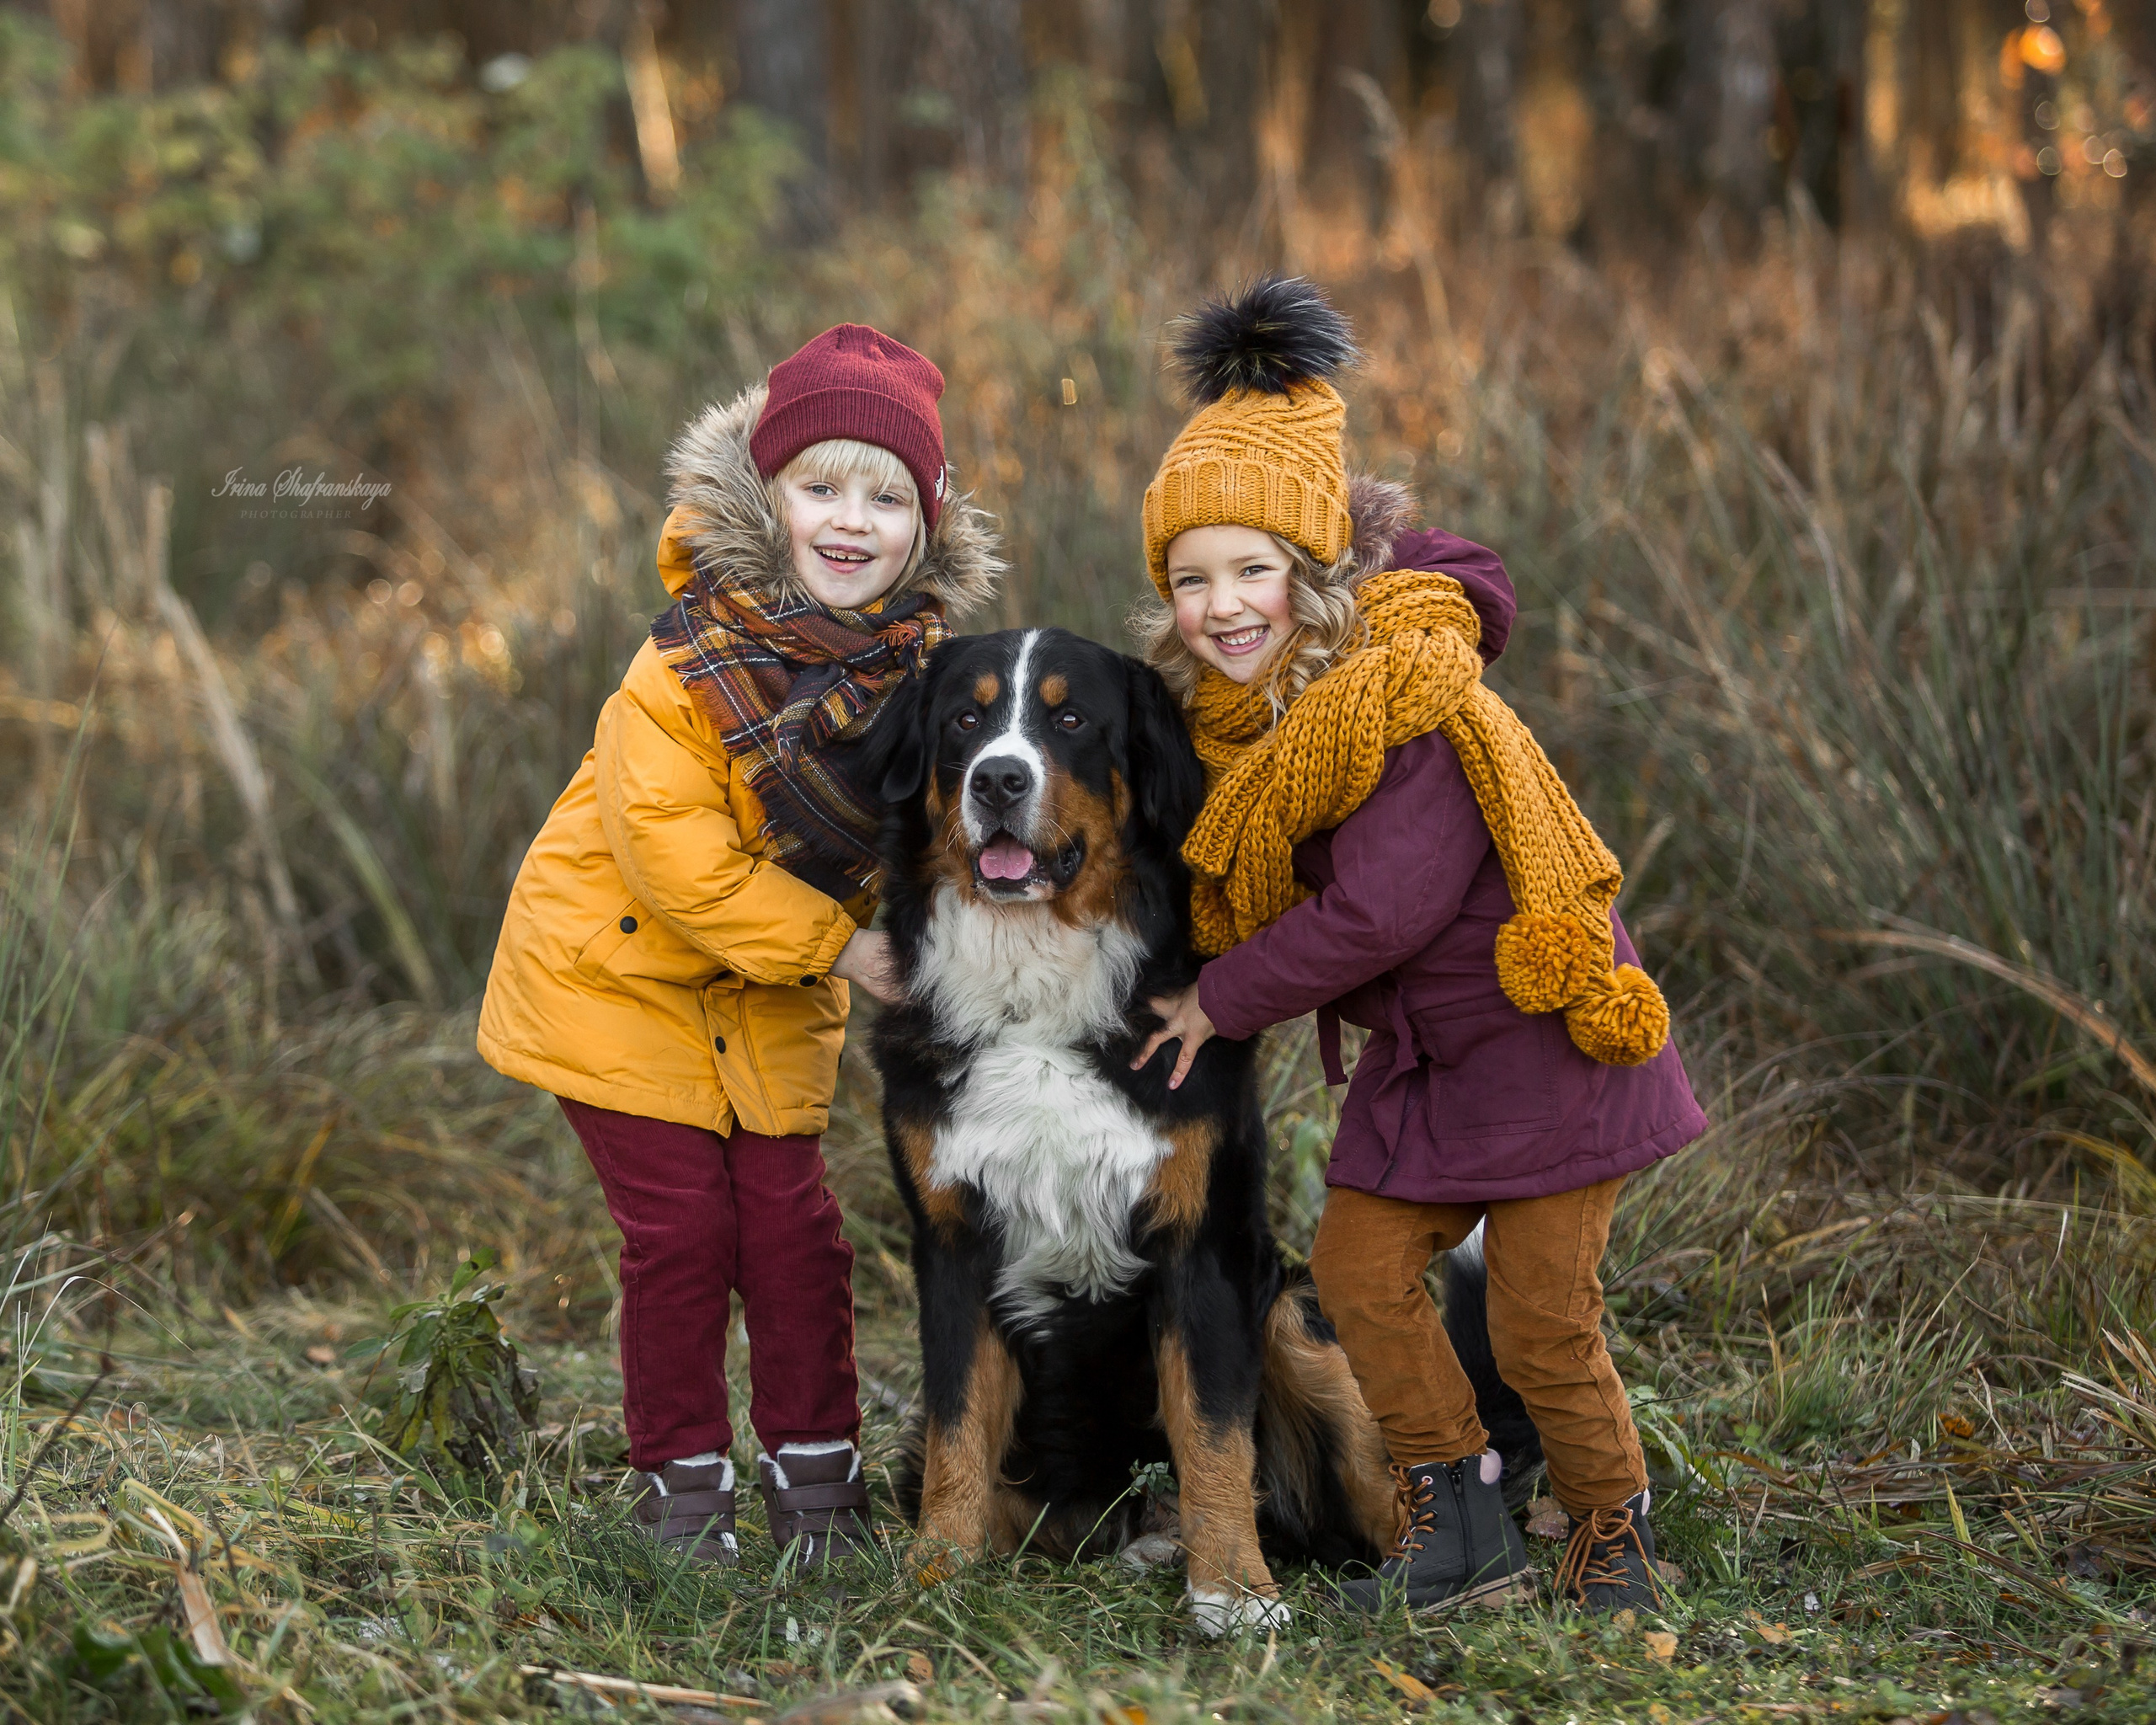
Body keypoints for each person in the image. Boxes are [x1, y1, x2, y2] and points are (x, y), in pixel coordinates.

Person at [1129, 278, 1706, 1614]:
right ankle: (1460, 1525)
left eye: (1253, 570)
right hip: (1433, 1057)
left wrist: (1222, 999)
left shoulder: (1401, 705)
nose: (1222, 605)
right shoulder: (1256, 728)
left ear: (1317, 573)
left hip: (1547, 1035)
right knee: (1360, 1270)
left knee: (1540, 1317)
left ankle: (1614, 1536)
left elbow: (1379, 913)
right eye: (1191, 576)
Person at [478, 324, 1001, 1565]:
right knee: (682, 1236)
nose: (850, 520)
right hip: (615, 982)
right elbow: (675, 862)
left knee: (791, 1233)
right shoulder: (677, 671)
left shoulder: (916, 676)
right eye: (821, 485)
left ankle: (816, 1485)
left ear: (925, 529)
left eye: (886, 497)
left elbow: (950, 824)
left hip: (766, 1003)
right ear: (764, 496)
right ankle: (682, 1487)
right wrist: (846, 948)